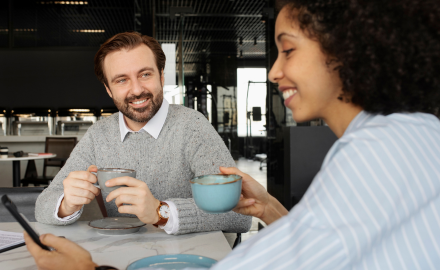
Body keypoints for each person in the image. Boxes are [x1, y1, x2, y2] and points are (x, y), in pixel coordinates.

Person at [27, 0, 440, 269]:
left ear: (346, 50)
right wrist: (270, 209)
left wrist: (93, 267)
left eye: (288, 50)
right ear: (108, 89)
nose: (275, 71)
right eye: (121, 80)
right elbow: (317, 241)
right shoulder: (402, 137)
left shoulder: (378, 152)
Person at [34, 31, 251, 235]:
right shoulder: (99, 134)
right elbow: (42, 206)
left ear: (161, 77)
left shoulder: (192, 126)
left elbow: (239, 215)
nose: (137, 90)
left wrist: (161, 212)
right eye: (121, 80)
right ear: (108, 89)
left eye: (145, 74)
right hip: (121, 257)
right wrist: (66, 203)